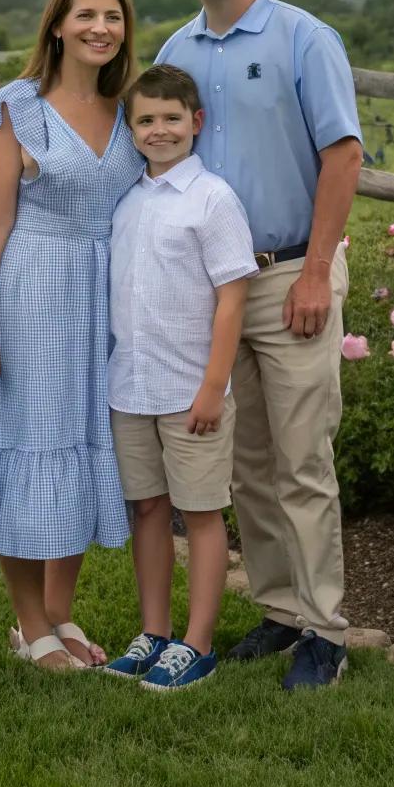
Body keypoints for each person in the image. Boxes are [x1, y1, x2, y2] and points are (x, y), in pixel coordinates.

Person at [155, 0, 364, 691]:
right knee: (247, 463)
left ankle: (327, 631)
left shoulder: (303, 38)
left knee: (303, 458)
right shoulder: (178, 49)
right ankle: (280, 610)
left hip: (288, 274)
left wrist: (316, 269)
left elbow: (342, 157)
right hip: (217, 286)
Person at [0, 0, 143, 671]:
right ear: (58, 26)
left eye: (114, 17)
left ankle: (61, 612)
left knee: (82, 438)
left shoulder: (128, 109)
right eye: (87, 15)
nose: (102, 28)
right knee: (30, 442)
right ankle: (28, 622)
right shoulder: (18, 106)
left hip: (106, 294)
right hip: (34, 290)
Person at [104, 65, 257, 692]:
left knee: (200, 513)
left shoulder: (212, 199)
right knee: (146, 509)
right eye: (146, 120)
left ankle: (197, 644)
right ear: (131, 128)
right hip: (130, 386)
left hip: (191, 387)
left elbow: (232, 298)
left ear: (196, 122)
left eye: (171, 118)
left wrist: (212, 385)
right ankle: (153, 632)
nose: (159, 130)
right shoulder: (129, 198)